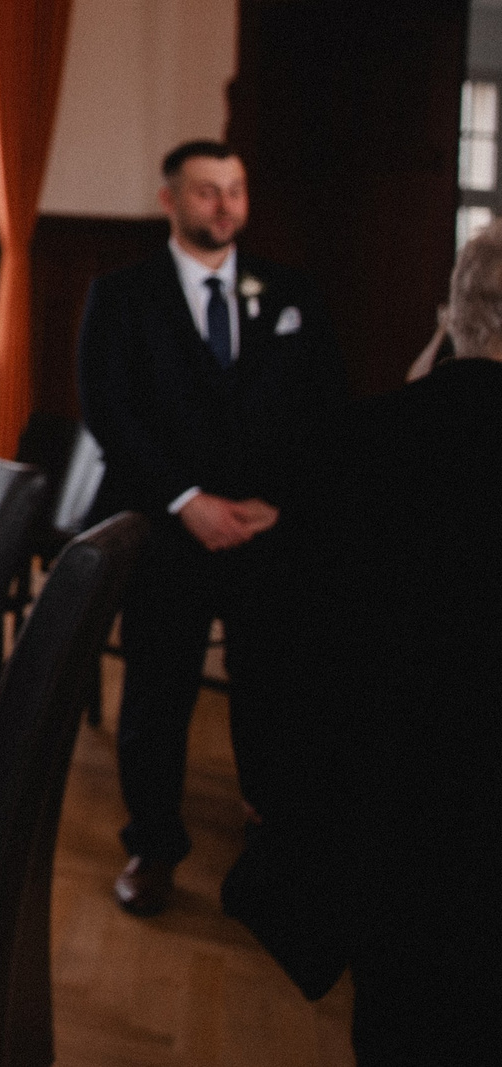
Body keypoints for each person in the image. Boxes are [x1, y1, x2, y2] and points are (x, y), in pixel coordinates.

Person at [225, 224, 501, 1066]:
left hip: (385, 846)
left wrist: (279, 796)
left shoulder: (351, 441)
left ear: (454, 314)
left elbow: (269, 640)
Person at [75, 139, 345, 917]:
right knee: (158, 691)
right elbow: (108, 410)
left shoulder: (289, 291)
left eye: (235, 189)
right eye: (206, 191)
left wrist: (279, 502)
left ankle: (270, 833)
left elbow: (325, 405)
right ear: (170, 199)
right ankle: (153, 845)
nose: (224, 205)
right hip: (168, 531)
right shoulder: (122, 295)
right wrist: (186, 498)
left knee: (272, 687)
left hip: (265, 530)